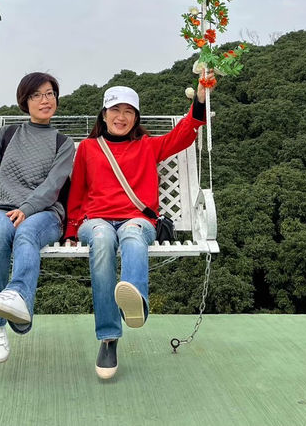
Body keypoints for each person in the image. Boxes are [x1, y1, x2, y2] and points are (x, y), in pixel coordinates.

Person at [64, 74, 213, 379]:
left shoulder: (147, 146)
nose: (121, 117)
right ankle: (109, 338)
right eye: (115, 110)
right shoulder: (89, 148)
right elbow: (77, 192)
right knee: (102, 238)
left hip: (137, 219)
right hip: (95, 221)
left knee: (132, 234)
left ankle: (135, 303)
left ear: (136, 118)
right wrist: (70, 230)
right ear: (103, 115)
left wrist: (200, 98)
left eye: (128, 112)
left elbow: (184, 135)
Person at [0, 71, 74, 363]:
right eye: (37, 95)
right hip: (2, 209)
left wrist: (27, 209)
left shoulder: (63, 143)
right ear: (25, 101)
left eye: (50, 94)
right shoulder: (9, 134)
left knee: (26, 233)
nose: (45, 100)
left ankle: (18, 300)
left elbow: (53, 186)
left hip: (45, 213)